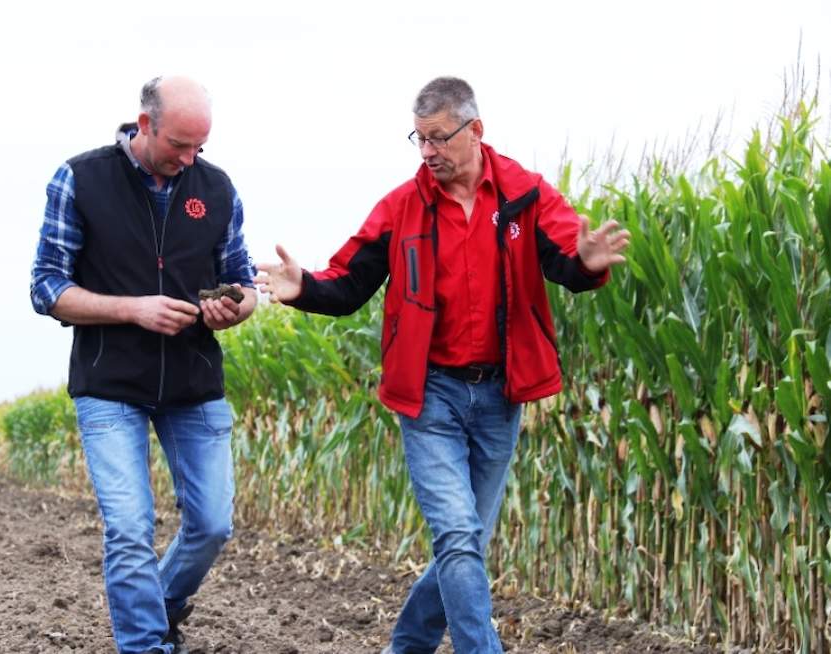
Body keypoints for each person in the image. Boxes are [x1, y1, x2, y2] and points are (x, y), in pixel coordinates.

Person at [254, 77, 629, 654]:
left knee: (466, 544)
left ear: (474, 131)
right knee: (456, 535)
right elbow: (350, 281)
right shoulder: (402, 207)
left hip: (499, 395)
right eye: (418, 139)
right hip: (430, 395)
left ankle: (405, 648)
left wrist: (586, 263)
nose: (426, 152)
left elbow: (563, 261)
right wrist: (304, 287)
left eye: (437, 138)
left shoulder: (526, 197)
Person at [30, 75, 257, 654]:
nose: (189, 159)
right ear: (145, 124)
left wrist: (236, 306)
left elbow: (241, 276)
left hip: (194, 382)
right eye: (179, 145)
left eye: (199, 148)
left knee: (211, 525)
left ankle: (159, 602)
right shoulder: (81, 178)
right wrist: (132, 309)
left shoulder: (217, 187)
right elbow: (47, 287)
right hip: (109, 384)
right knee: (130, 530)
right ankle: (146, 644)